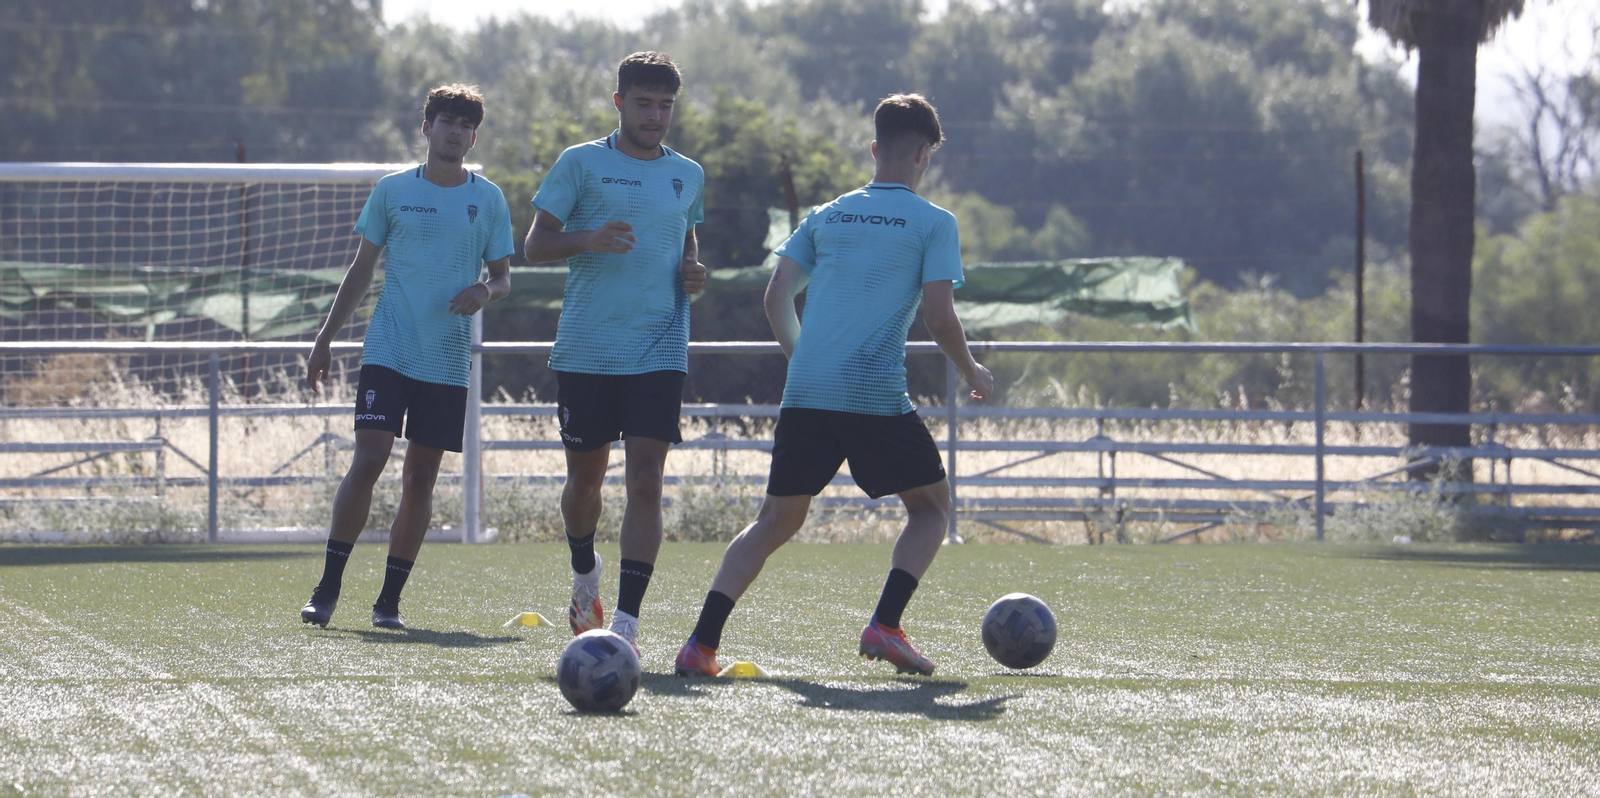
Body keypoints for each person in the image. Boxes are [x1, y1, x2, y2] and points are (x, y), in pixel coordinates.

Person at [674, 93, 992, 677]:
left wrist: (805, 361)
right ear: (924, 154)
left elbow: (776, 297)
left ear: (874, 149)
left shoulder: (826, 214)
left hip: (807, 391)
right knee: (932, 509)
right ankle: (885, 625)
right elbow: (939, 317)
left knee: (775, 520)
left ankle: (700, 645)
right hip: (873, 394)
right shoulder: (934, 222)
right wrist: (972, 369)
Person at [299, 84, 514, 630]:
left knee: (420, 478)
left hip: (446, 357)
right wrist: (324, 339)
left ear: (473, 137)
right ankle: (327, 588)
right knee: (370, 458)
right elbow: (361, 269)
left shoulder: (489, 199)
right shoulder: (392, 190)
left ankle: (388, 602)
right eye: (447, 121)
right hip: (389, 347)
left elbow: (504, 278)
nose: (455, 132)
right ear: (426, 128)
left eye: (466, 125)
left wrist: (485, 290)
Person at [523, 52, 707, 648]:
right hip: (588, 348)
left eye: (665, 106)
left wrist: (693, 269)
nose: (655, 116)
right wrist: (590, 238)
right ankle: (585, 573)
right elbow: (535, 245)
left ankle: (626, 623)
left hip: (660, 347)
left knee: (647, 482)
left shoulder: (688, 173)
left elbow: (685, 236)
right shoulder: (580, 162)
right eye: (644, 104)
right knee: (585, 486)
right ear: (619, 103)